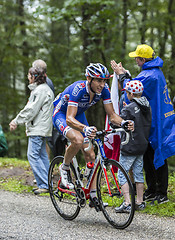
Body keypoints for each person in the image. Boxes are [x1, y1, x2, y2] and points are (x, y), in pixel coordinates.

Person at [52, 63, 134, 209]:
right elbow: (70, 119)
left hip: (78, 115)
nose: (102, 84)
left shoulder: (105, 90)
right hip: (62, 114)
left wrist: (123, 123)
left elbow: (112, 115)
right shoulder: (78, 89)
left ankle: (94, 196)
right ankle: (64, 168)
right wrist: (85, 128)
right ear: (89, 78)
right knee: (77, 139)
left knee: (91, 155)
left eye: (104, 81)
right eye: (98, 80)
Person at [111, 44, 175, 204]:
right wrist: (124, 74)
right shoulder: (154, 72)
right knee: (148, 155)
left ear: (144, 59)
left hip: (155, 121)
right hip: (154, 119)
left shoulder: (150, 75)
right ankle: (152, 190)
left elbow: (131, 87)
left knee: (157, 154)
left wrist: (121, 75)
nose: (136, 61)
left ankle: (161, 193)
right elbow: (135, 84)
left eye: (137, 59)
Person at [9, 67, 54, 195]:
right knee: (42, 155)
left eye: (29, 75)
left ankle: (44, 184)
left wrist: (16, 121)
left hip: (38, 129)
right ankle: (48, 183)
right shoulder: (44, 89)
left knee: (33, 155)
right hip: (42, 128)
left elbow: (31, 110)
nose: (27, 77)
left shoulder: (40, 91)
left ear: (34, 76)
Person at [114, 80, 152, 213]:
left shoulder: (129, 108)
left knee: (122, 173)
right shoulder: (147, 106)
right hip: (142, 144)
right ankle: (140, 201)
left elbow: (118, 122)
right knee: (138, 173)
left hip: (129, 145)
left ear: (130, 93)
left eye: (127, 93)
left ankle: (127, 203)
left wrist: (124, 110)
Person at [32, 59, 55, 159]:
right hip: (47, 118)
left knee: (43, 144)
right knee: (44, 142)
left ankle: (45, 166)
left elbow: (37, 105)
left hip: (43, 119)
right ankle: (46, 166)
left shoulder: (44, 83)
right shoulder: (47, 81)